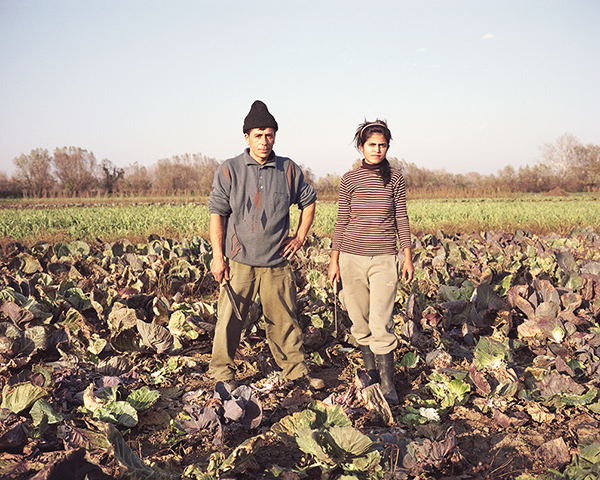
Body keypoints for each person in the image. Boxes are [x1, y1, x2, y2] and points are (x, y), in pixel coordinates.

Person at [208, 100, 324, 391]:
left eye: (269, 134)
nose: (264, 141)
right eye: (258, 135)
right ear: (246, 137)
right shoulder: (230, 170)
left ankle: (296, 372)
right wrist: (217, 257)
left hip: (277, 262)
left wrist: (299, 237)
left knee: (284, 320)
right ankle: (223, 375)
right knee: (229, 321)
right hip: (239, 260)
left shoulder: (288, 169)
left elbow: (309, 202)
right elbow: (217, 214)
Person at [328, 119, 414, 404]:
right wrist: (334, 260)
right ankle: (372, 376)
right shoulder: (349, 180)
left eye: (382, 145)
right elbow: (342, 221)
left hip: (384, 258)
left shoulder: (395, 178)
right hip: (351, 257)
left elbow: (401, 217)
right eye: (372, 145)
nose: (377, 150)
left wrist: (407, 256)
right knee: (360, 321)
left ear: (388, 147)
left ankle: (389, 385)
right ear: (361, 147)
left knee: (382, 321)